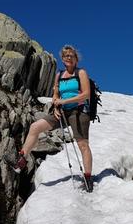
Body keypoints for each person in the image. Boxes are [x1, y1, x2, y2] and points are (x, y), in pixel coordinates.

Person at [9, 45, 94, 192]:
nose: (68, 58)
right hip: (61, 112)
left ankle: (88, 178)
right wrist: (55, 105)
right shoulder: (59, 75)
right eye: (66, 56)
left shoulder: (81, 73)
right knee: (35, 127)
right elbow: (55, 94)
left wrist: (64, 102)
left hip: (79, 111)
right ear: (62, 59)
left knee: (83, 145)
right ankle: (21, 161)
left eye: (71, 56)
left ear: (76, 59)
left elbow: (86, 94)